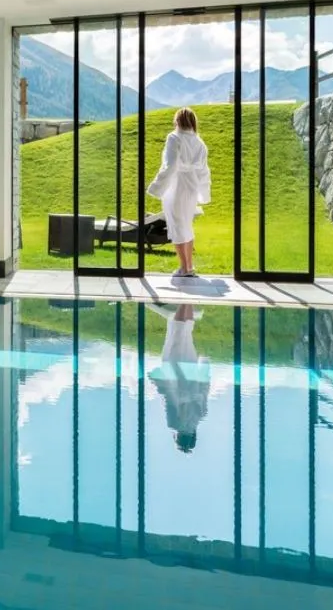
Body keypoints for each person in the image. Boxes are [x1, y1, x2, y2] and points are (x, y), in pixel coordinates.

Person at [147, 107, 211, 278]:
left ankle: (184, 268)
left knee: (176, 225)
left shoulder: (174, 138)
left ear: (177, 121)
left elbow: (170, 165)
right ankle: (189, 267)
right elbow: (204, 171)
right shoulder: (199, 142)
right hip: (191, 186)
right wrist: (203, 192)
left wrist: (156, 187)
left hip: (176, 186)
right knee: (186, 225)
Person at [148, 303, 209, 454]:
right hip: (175, 375)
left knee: (186, 334)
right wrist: (156, 380)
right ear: (179, 437)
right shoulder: (174, 423)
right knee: (177, 332)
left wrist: (204, 366)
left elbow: (205, 388)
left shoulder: (201, 415)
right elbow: (168, 398)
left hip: (191, 372)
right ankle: (184, 299)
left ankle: (188, 301)